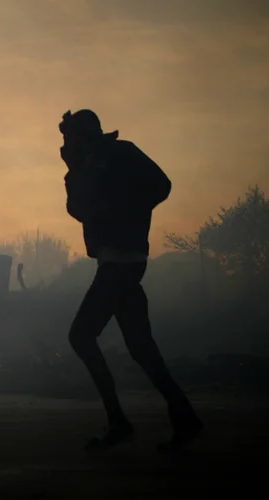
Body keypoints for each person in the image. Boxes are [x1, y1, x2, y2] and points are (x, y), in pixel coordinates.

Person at [59, 109, 203, 452]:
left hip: (123, 260)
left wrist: (124, 209)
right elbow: (77, 210)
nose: (65, 144)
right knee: (141, 348)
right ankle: (184, 417)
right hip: (114, 260)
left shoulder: (122, 153)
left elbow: (161, 186)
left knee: (81, 336)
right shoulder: (85, 168)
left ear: (87, 134)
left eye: (70, 137)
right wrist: (74, 171)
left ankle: (119, 421)